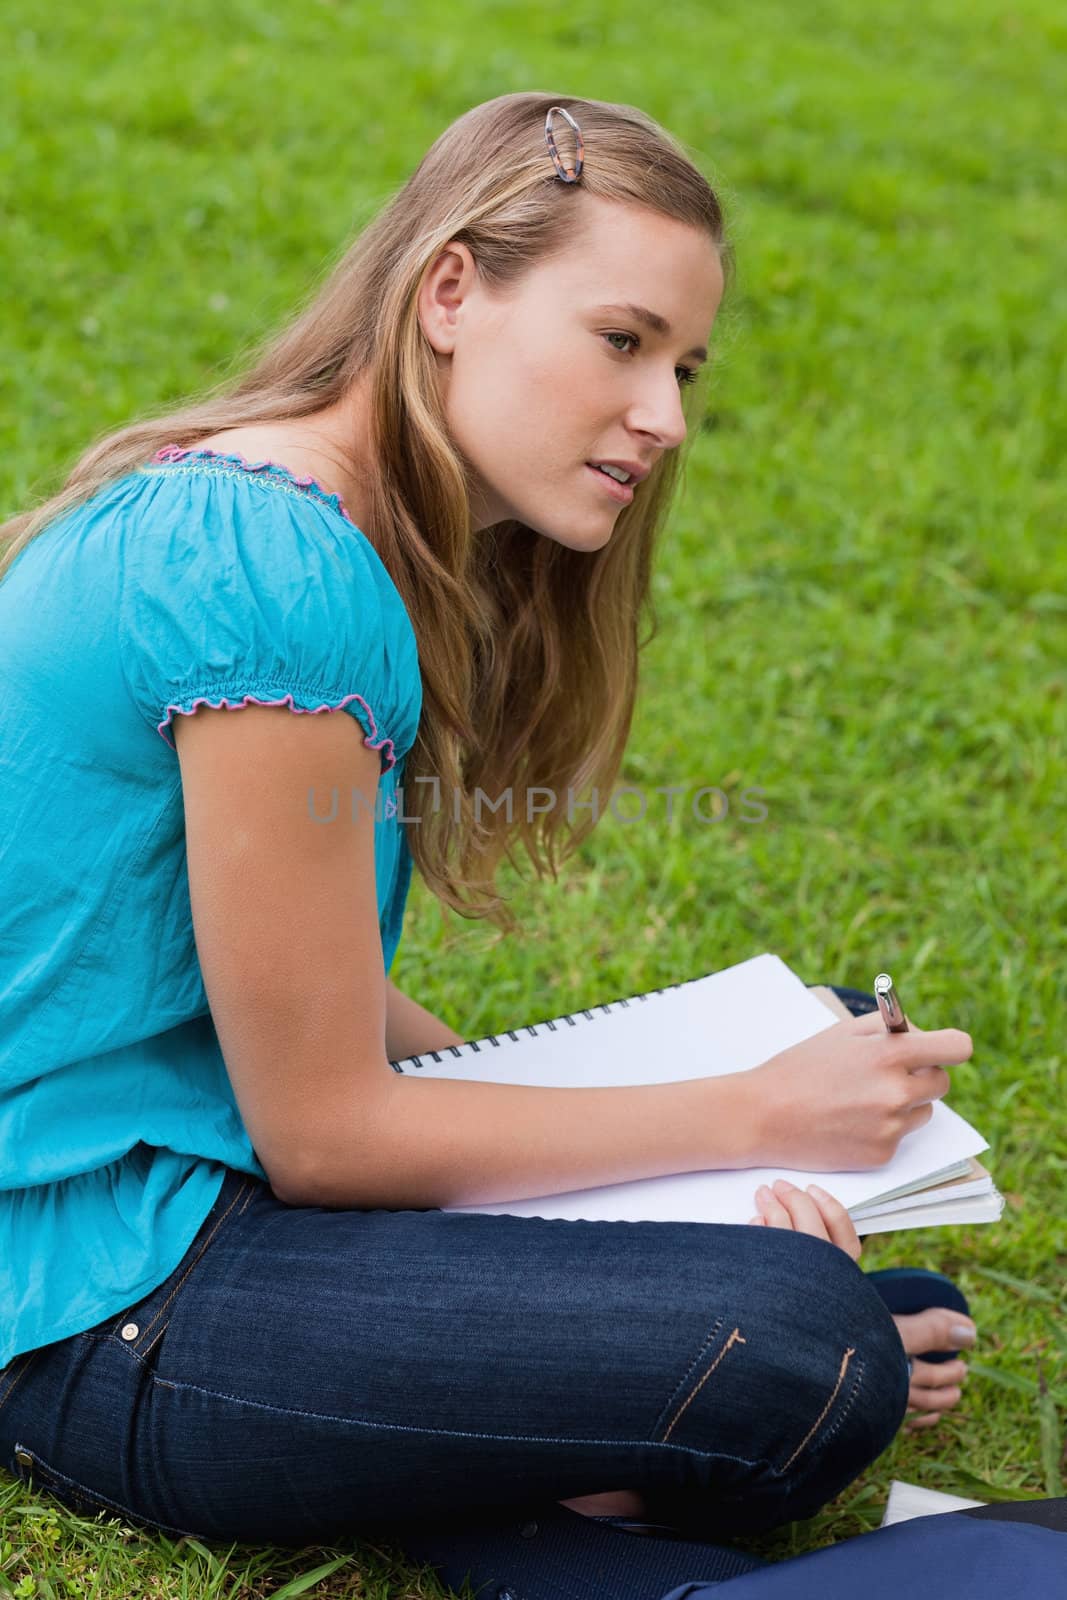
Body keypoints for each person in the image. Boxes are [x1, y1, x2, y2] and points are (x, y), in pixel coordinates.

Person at [0, 93, 977, 1589]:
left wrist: (678, 1176)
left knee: (838, 1075)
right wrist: (745, 1124)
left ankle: (546, 1395)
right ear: (452, 291)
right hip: (82, 1295)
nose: (667, 416)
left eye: (685, 367)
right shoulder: (270, 567)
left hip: (199, 1176)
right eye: (623, 340)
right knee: (801, 1346)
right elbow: (326, 1136)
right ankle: (538, 1464)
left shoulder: (303, 522)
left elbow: (290, 975)